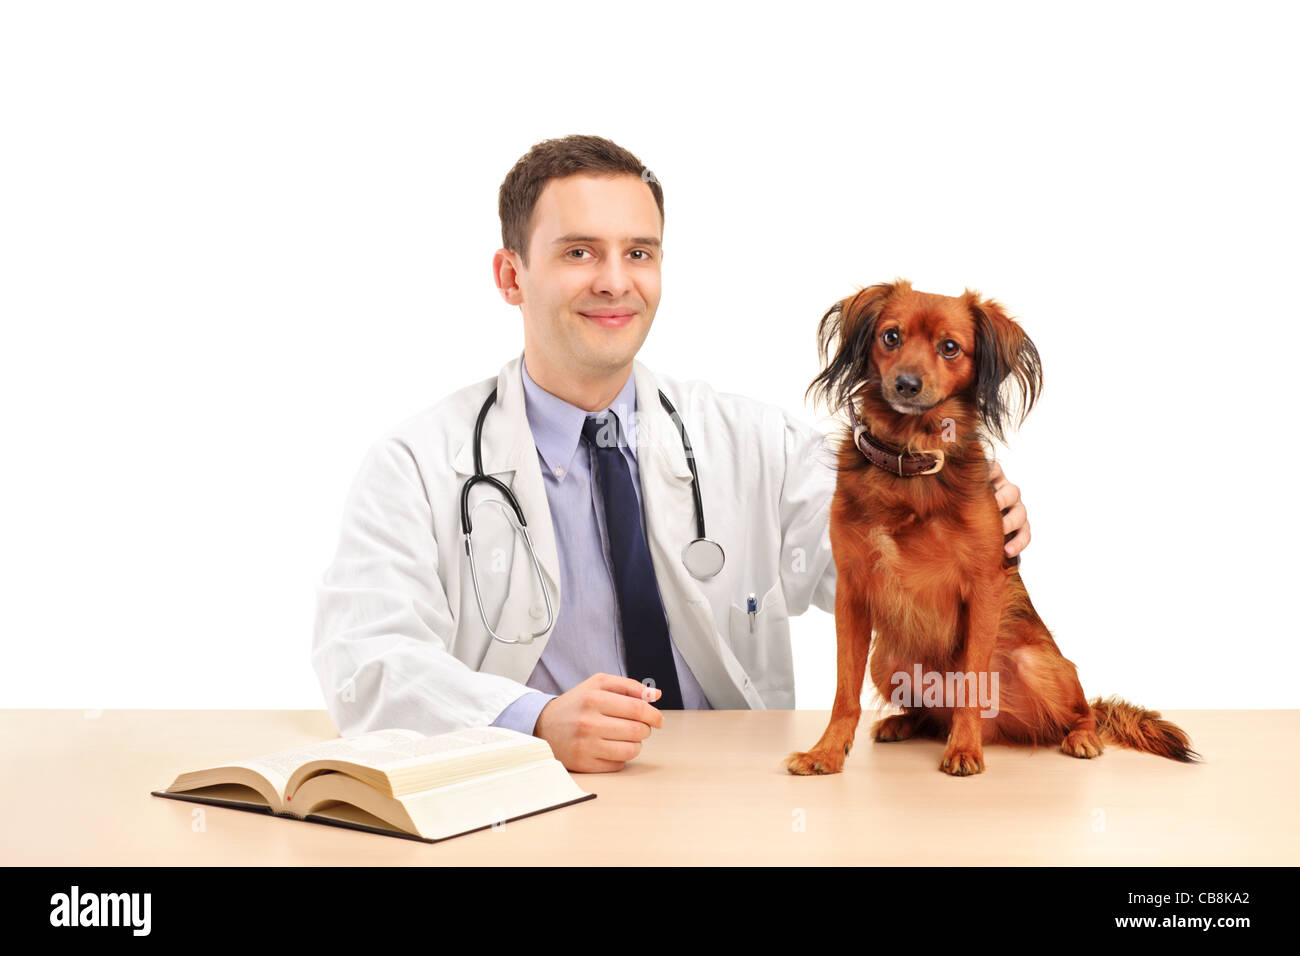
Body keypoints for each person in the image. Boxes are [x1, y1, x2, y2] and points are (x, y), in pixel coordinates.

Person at [311, 134, 1031, 772]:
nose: (615, 281)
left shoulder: (756, 441)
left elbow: (877, 565)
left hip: (727, 793)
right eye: (578, 252)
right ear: (510, 276)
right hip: (530, 790)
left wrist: (960, 507)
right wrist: (532, 722)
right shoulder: (415, 463)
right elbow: (365, 660)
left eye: (639, 253)